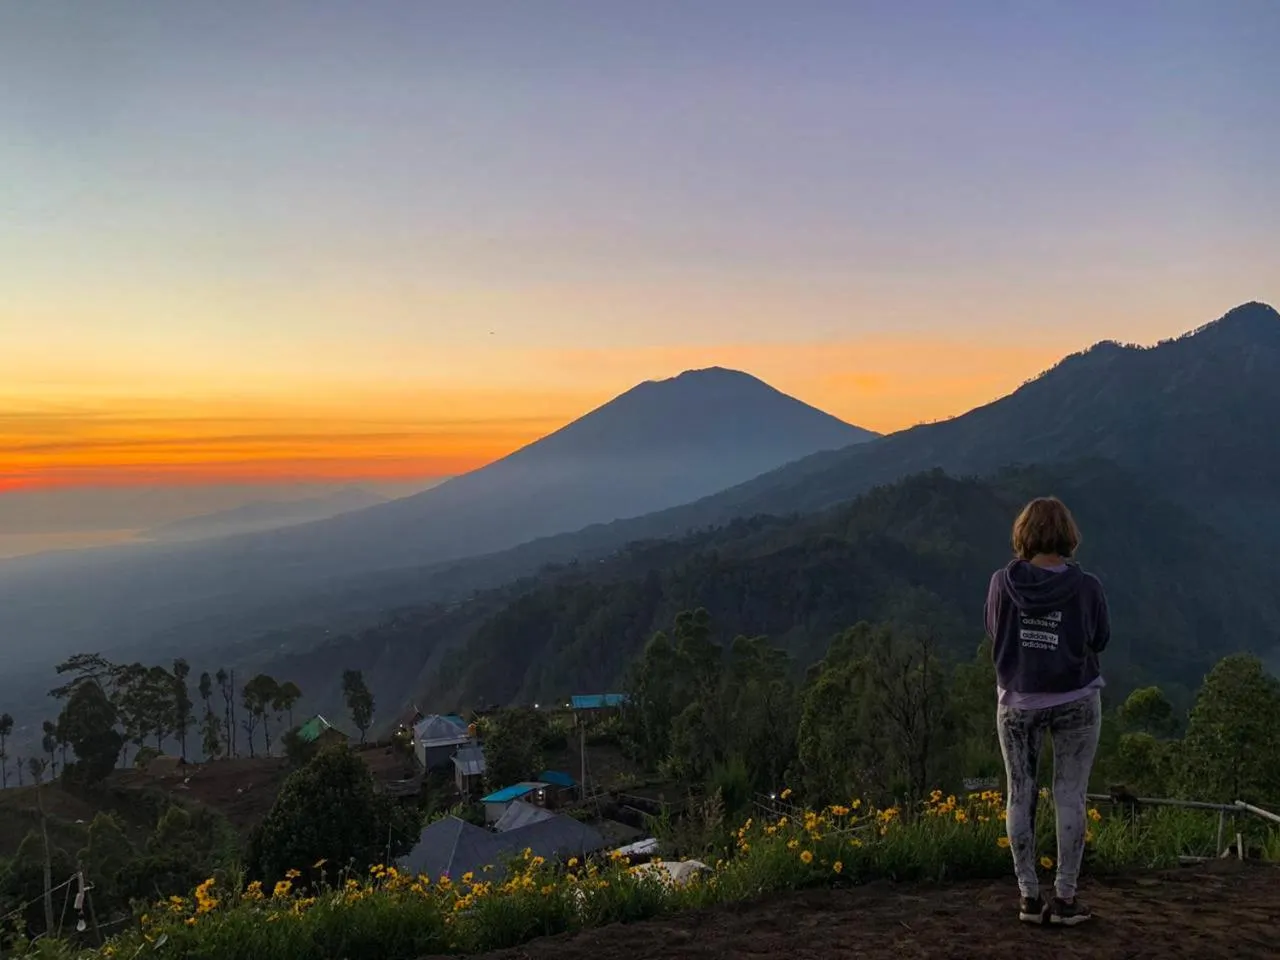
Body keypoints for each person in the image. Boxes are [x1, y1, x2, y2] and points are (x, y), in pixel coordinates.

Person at [984, 496, 1109, 927]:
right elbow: (1101, 638)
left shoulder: (1002, 583)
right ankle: (1067, 898)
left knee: (1020, 794)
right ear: (1068, 536)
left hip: (1018, 701)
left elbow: (993, 631)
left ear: (1024, 535)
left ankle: (1028, 897)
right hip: (1076, 698)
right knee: (1069, 795)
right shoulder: (1087, 586)